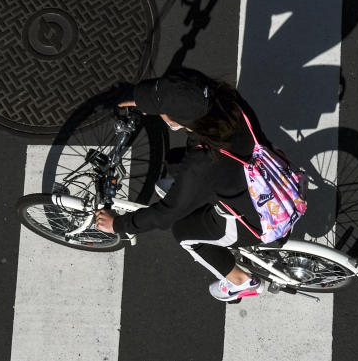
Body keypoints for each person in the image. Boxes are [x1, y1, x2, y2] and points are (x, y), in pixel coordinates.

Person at [93, 68, 266, 302]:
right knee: (176, 163)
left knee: (184, 232)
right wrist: (140, 100)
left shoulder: (203, 163)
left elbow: (166, 214)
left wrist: (119, 224)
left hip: (253, 219)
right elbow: (174, 93)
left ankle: (240, 282)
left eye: (160, 110)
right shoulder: (225, 101)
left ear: (176, 120)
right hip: (259, 175)